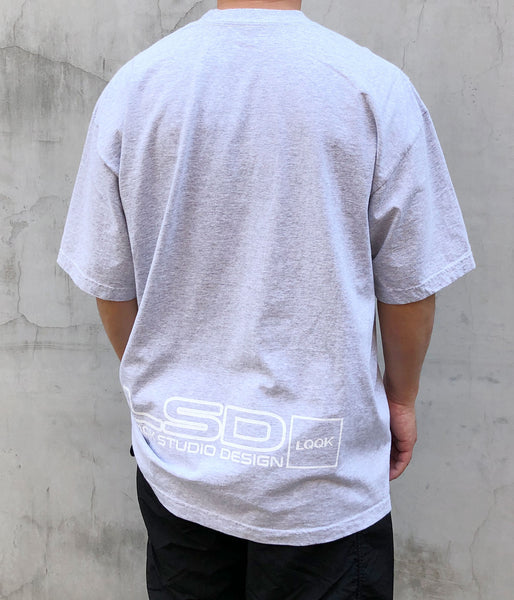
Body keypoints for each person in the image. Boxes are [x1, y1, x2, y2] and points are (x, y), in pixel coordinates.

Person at [57, 0, 475, 597]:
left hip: (180, 460)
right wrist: (401, 400)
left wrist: (163, 385)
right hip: (321, 475)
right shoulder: (373, 89)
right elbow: (409, 288)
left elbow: (111, 286)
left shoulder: (136, 88)